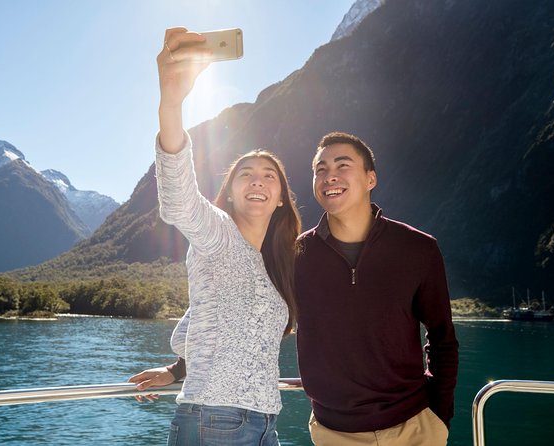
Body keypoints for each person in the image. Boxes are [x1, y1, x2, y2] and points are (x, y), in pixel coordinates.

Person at [127, 27, 302, 446]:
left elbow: (204, 324)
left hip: (265, 426)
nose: (258, 180)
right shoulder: (217, 232)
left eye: (268, 176)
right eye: (246, 173)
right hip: (213, 422)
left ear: (280, 197)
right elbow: (178, 197)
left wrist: (175, 371)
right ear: (230, 192)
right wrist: (171, 102)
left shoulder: (278, 261)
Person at [296, 131, 459, 446]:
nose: (329, 176)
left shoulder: (418, 248)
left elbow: (442, 338)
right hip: (334, 433)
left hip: (416, 427)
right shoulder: (296, 255)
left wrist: (440, 416)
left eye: (342, 166)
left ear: (371, 179)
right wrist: (182, 365)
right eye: (320, 169)